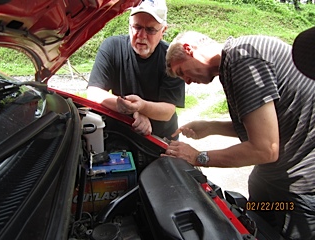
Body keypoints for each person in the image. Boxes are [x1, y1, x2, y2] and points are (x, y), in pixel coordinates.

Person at [164, 31, 315, 240]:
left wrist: (197, 157)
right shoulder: (232, 62)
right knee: (255, 228)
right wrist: (211, 127)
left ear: (188, 49)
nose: (186, 82)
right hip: (269, 179)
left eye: (181, 72)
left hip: (298, 189)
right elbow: (262, 128)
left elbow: (265, 149)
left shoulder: (242, 58)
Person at [87, 0, 185, 140]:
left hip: (161, 139)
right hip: (121, 134)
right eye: (137, 27)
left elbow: (168, 111)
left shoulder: (170, 58)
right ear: (129, 25)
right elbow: (94, 93)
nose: (141, 35)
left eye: (150, 30)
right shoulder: (112, 47)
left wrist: (142, 107)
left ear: (163, 31)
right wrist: (135, 111)